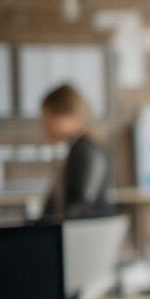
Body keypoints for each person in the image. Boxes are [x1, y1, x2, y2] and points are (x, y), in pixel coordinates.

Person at [38, 83, 113, 220]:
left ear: (65, 115)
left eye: (46, 118)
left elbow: (80, 206)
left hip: (88, 230)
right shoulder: (78, 147)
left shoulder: (86, 151)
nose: (44, 126)